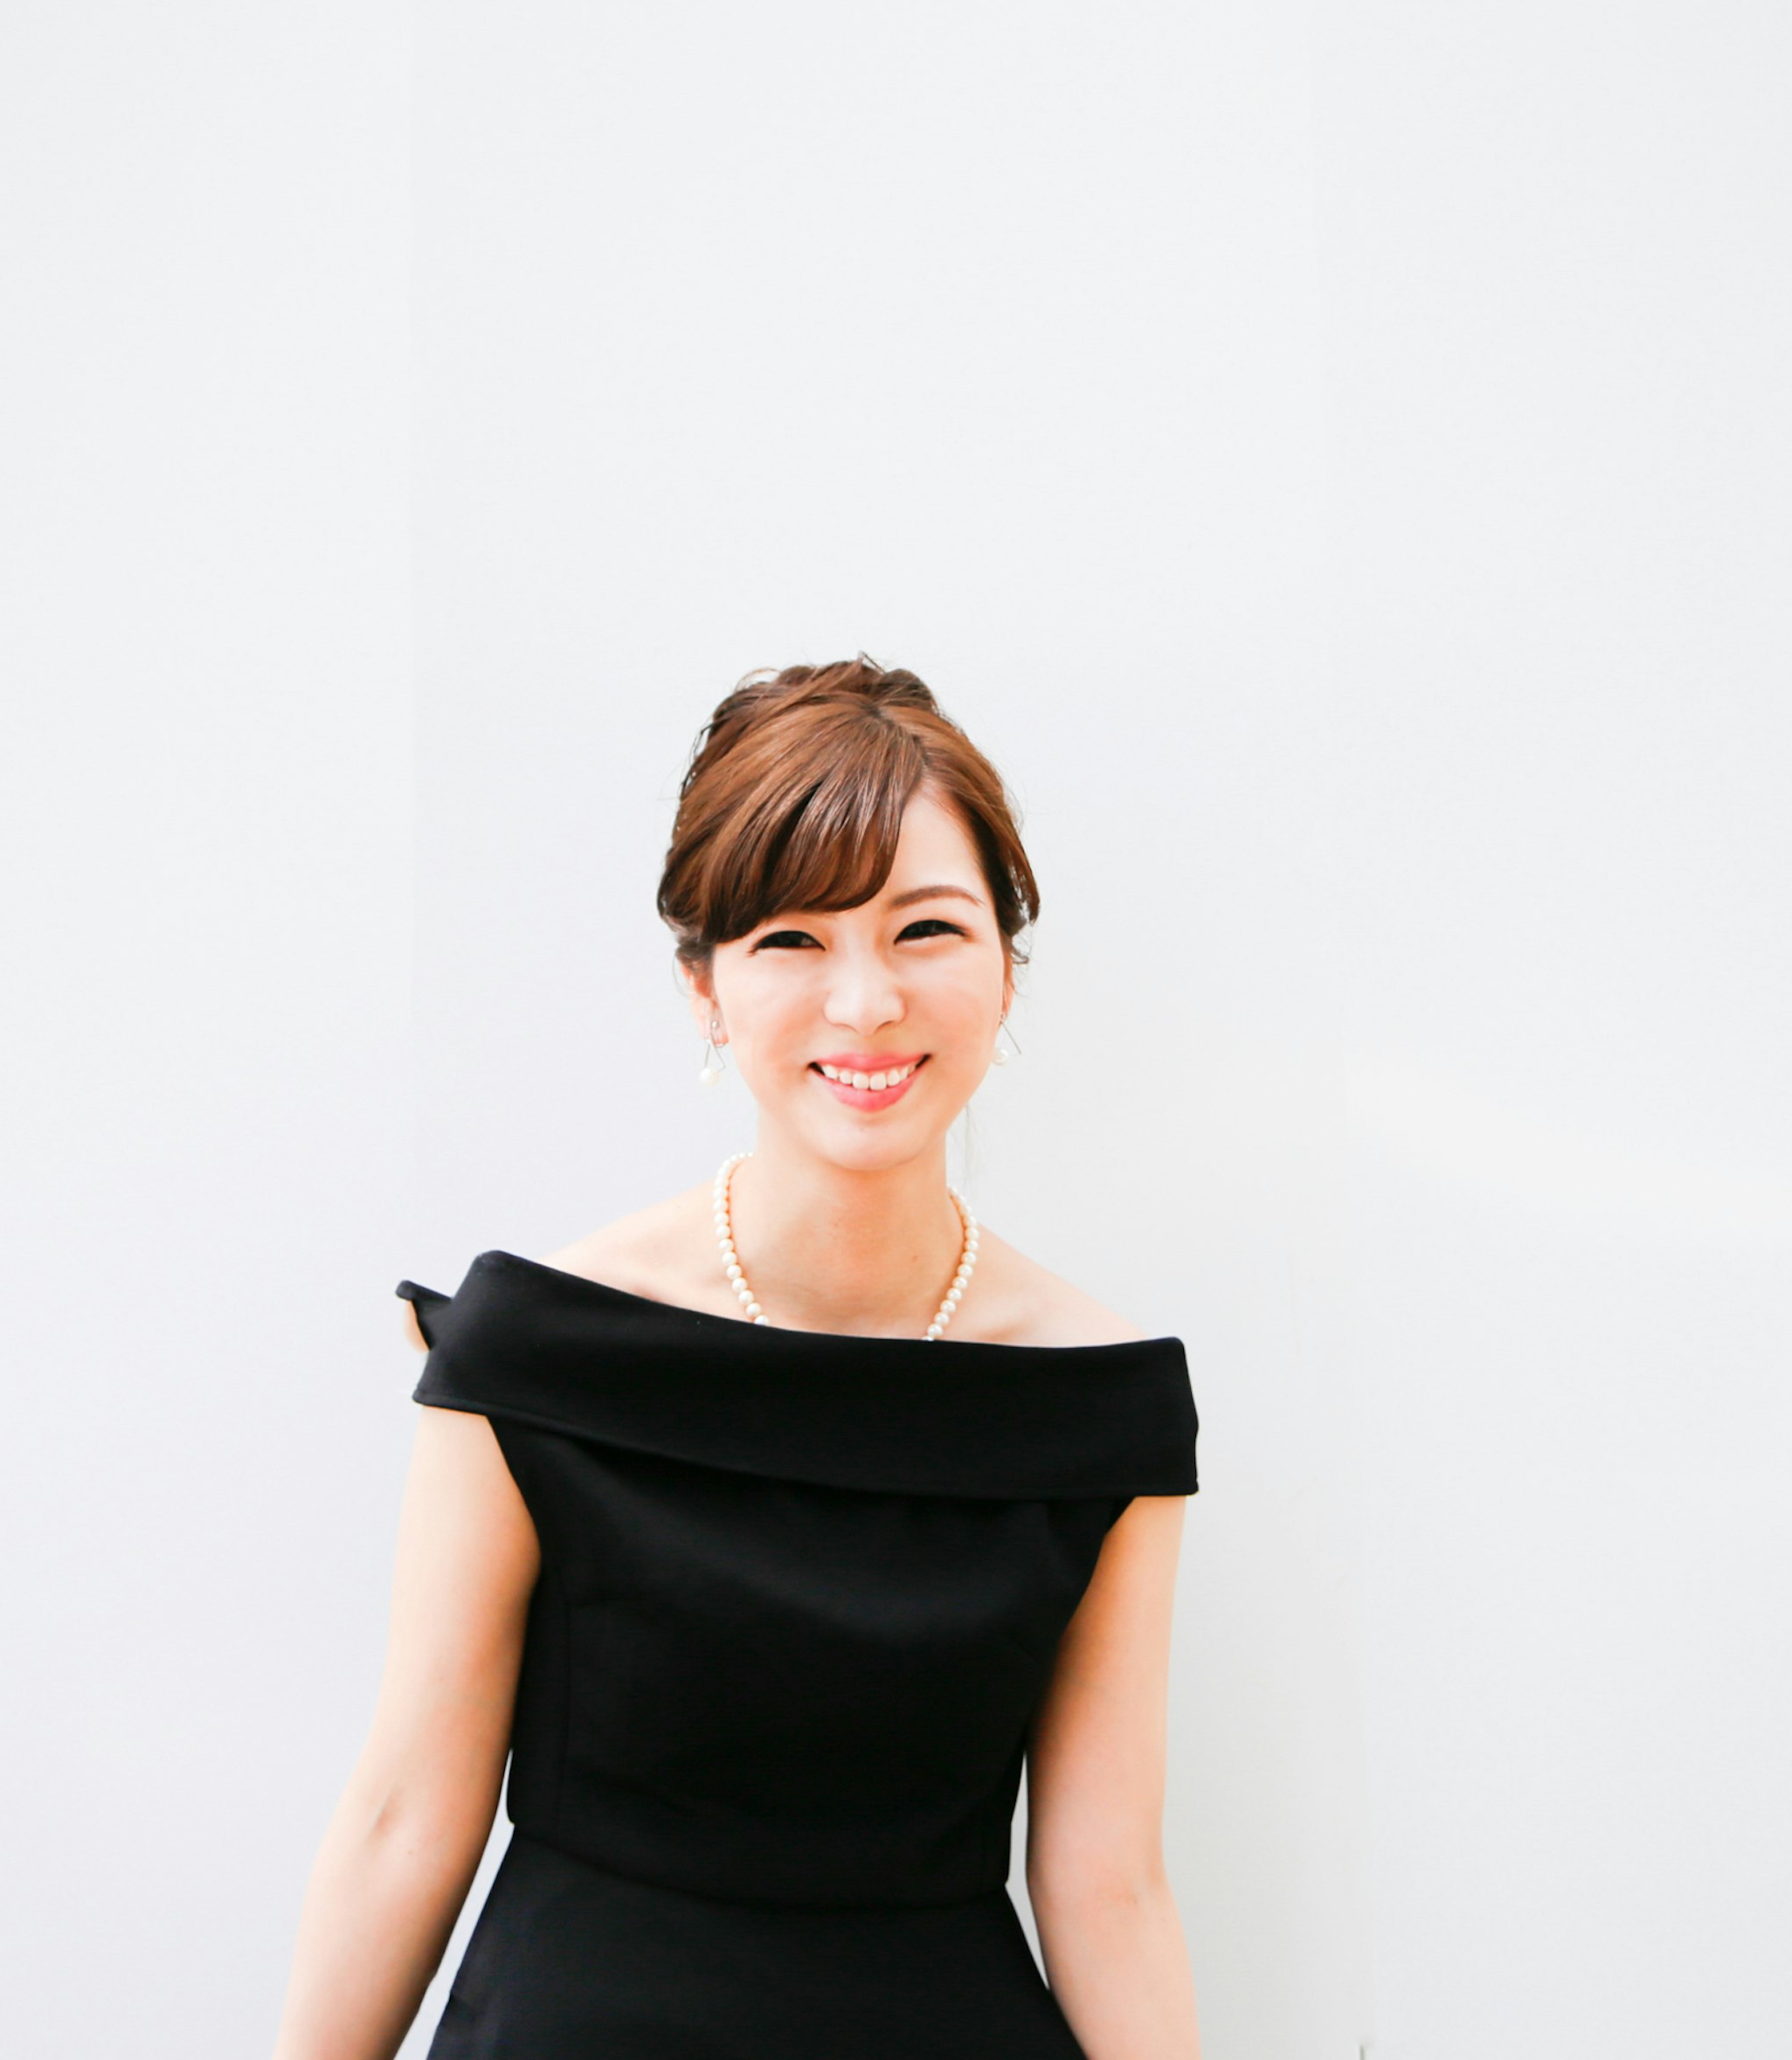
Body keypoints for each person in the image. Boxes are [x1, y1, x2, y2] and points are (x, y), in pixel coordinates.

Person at [267, 660, 1203, 2059]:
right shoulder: (537, 1348)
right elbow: (407, 1819)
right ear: (704, 986)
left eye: (926, 930)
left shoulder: (1098, 1399)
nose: (867, 1002)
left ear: (1007, 967)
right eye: (790, 940)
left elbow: (1108, 1882)